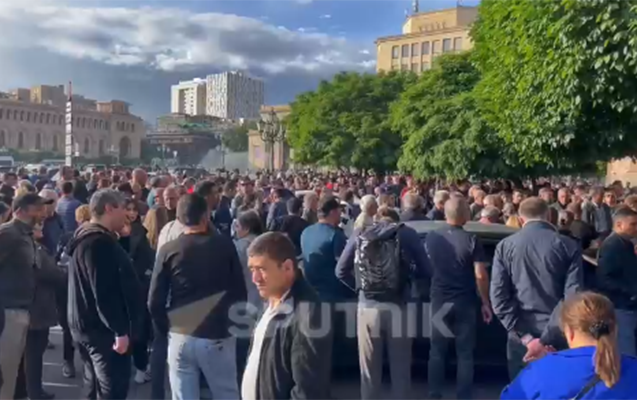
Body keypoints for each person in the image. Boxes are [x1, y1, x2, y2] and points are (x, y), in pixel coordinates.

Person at [148, 194, 246, 400]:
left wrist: (167, 328)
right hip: (216, 333)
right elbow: (239, 292)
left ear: (179, 218)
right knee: (226, 394)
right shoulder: (224, 246)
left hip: (180, 334)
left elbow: (154, 300)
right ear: (206, 216)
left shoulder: (168, 250)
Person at [336, 206, 430, 400]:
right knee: (401, 370)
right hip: (399, 306)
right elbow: (427, 270)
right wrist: (409, 278)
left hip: (367, 307)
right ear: (396, 220)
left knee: (369, 372)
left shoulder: (360, 233)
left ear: (377, 219)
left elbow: (340, 270)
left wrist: (360, 287)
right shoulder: (407, 234)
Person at [490, 197, 583, 380]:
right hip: (558, 334)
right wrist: (546, 339)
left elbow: (499, 298)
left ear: (520, 219)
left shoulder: (505, 246)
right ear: (548, 215)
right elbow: (573, 297)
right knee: (557, 388)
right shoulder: (568, 245)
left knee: (522, 388)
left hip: (521, 335)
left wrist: (528, 339)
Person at [66, 189, 141, 400]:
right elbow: (103, 291)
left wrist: (122, 240)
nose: (127, 214)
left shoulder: (89, 237)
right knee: (111, 389)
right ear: (109, 208)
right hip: (101, 330)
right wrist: (119, 331)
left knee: (93, 386)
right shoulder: (98, 243)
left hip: (87, 325)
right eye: (122, 208)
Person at [241, 232, 332, 400]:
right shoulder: (271, 300)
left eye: (262, 269)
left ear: (287, 268)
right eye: (252, 269)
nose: (255, 278)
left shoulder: (308, 314)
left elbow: (307, 390)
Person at [501, 292, 637, 399]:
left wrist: (547, 365)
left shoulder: (537, 373)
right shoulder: (632, 369)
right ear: (614, 329)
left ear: (569, 332)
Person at [425, 197, 492, 400]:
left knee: (437, 351)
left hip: (439, 301)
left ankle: (434, 394)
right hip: (464, 301)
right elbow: (480, 275)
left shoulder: (432, 237)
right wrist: (485, 302)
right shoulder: (472, 240)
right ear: (465, 215)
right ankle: (463, 395)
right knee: (465, 354)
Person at [0, 193, 45, 400]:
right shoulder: (8, 233)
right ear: (20, 210)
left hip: (22, 311)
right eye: (37, 209)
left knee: (15, 377)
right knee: (6, 378)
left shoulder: (26, 235)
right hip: (7, 314)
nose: (42, 213)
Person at [17, 224, 65, 400]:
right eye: (37, 226)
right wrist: (63, 271)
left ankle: (26, 389)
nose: (41, 228)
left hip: (32, 306)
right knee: (34, 354)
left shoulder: (26, 248)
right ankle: (34, 391)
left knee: (29, 353)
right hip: (38, 308)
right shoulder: (35, 250)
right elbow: (52, 273)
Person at [119, 199, 155, 384]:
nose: (132, 213)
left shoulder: (141, 232)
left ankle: (141, 366)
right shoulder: (113, 231)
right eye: (128, 209)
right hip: (119, 287)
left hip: (137, 286)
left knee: (138, 329)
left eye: (134, 210)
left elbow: (148, 259)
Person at [596, 207, 637, 356]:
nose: (636, 228)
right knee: (626, 350)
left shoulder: (626, 244)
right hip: (621, 306)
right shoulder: (612, 246)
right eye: (633, 224)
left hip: (629, 305)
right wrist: (631, 292)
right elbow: (604, 279)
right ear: (619, 224)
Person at [300, 196, 351, 302]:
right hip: (335, 294)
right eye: (339, 211)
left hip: (311, 292)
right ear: (333, 212)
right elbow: (345, 267)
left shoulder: (306, 232)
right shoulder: (335, 235)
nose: (341, 214)